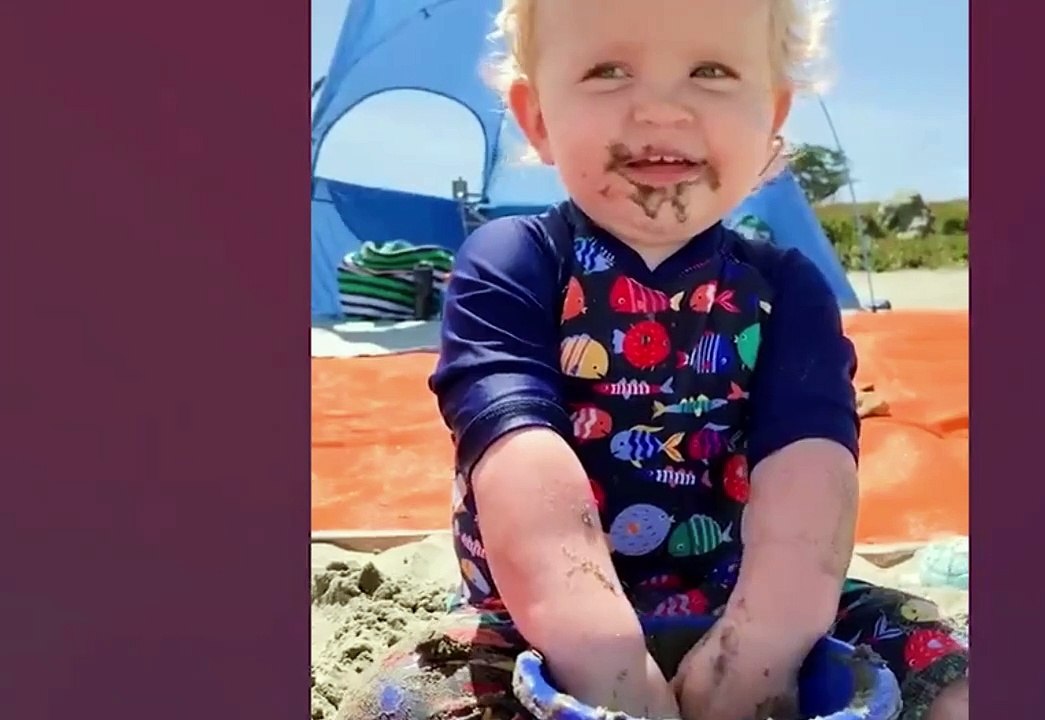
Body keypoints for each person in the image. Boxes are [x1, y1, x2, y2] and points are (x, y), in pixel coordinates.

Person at [336, 1, 968, 718]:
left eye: (711, 70)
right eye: (609, 70)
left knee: (948, 671)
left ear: (771, 115)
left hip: (757, 595)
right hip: (533, 620)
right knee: (398, 698)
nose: (662, 109)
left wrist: (759, 649)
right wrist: (605, 660)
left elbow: (811, 470)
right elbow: (521, 459)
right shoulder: (512, 265)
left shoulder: (788, 290)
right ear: (537, 117)